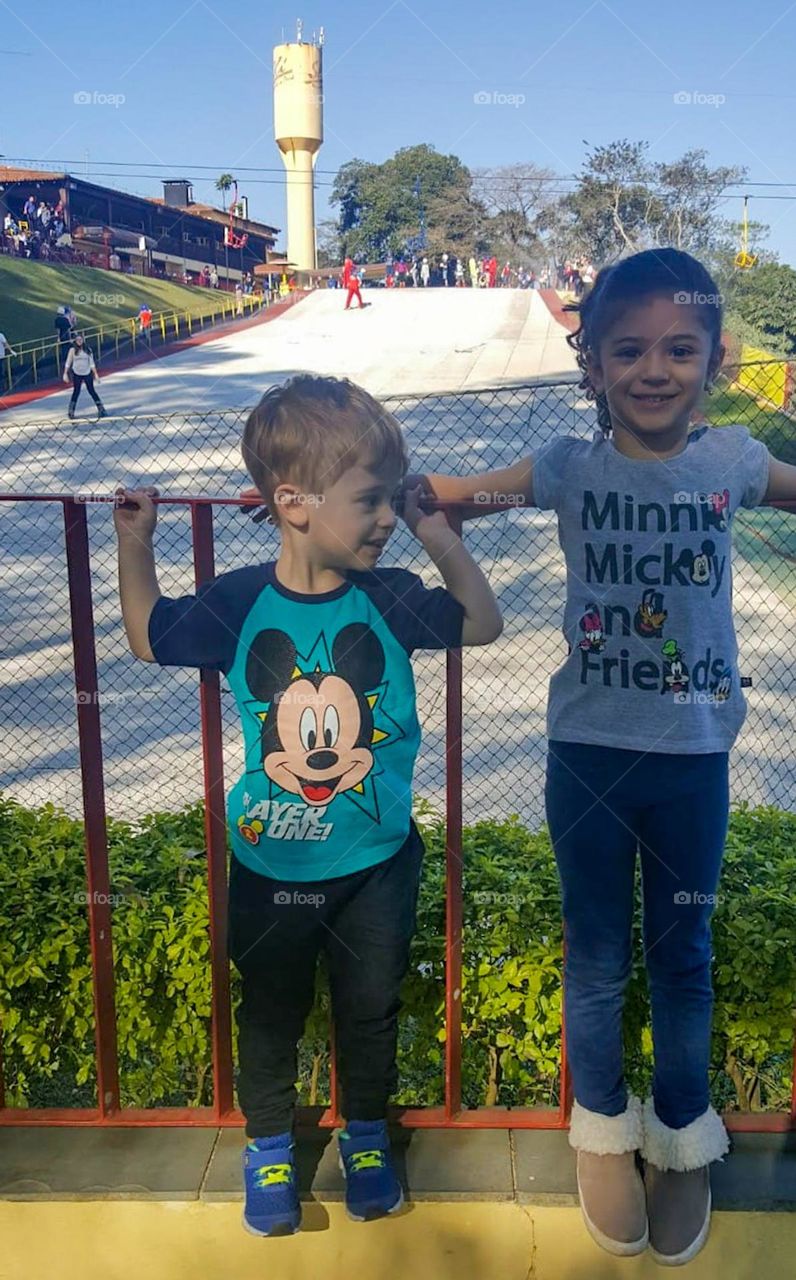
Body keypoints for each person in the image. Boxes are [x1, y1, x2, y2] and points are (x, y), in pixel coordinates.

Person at [406, 247, 796, 1267]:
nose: (654, 368)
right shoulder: (567, 466)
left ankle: (680, 1140)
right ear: (592, 365)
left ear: (714, 360)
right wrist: (340, 487)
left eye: (679, 347)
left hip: (694, 756)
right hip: (584, 751)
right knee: (595, 958)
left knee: (683, 959)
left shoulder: (736, 462)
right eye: (628, 349)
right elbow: (451, 490)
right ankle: (601, 1131)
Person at [113, 373, 502, 1236]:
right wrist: (133, 540)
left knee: (371, 1008)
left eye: (389, 501)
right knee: (272, 1015)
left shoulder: (391, 597)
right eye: (370, 500)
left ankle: (366, 1133)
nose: (385, 518)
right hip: (270, 867)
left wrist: (437, 533)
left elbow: (480, 623)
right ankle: (268, 1148)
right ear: (293, 502)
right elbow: (148, 636)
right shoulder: (241, 602)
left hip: (377, 867)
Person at [63, 333, 107, 419]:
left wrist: (96, 375)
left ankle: (101, 408)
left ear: (83, 340)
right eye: (77, 340)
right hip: (77, 373)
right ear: (75, 341)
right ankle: (71, 411)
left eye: (81, 340)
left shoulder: (87, 350)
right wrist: (65, 373)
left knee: (91, 390)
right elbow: (68, 362)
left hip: (87, 372)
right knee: (76, 391)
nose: (79, 341)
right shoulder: (72, 350)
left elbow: (92, 363)